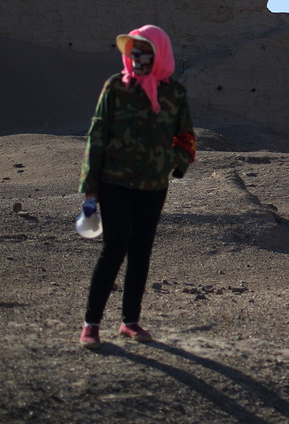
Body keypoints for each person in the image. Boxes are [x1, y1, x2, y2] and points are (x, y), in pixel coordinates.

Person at [78, 25, 196, 350]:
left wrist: (174, 163)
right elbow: (97, 136)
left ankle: (130, 321)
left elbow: (186, 137)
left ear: (160, 54)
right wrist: (90, 186)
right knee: (114, 249)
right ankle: (91, 324)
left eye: (145, 51)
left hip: (153, 186)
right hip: (114, 181)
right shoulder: (115, 87)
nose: (138, 57)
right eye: (134, 50)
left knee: (141, 251)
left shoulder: (175, 94)